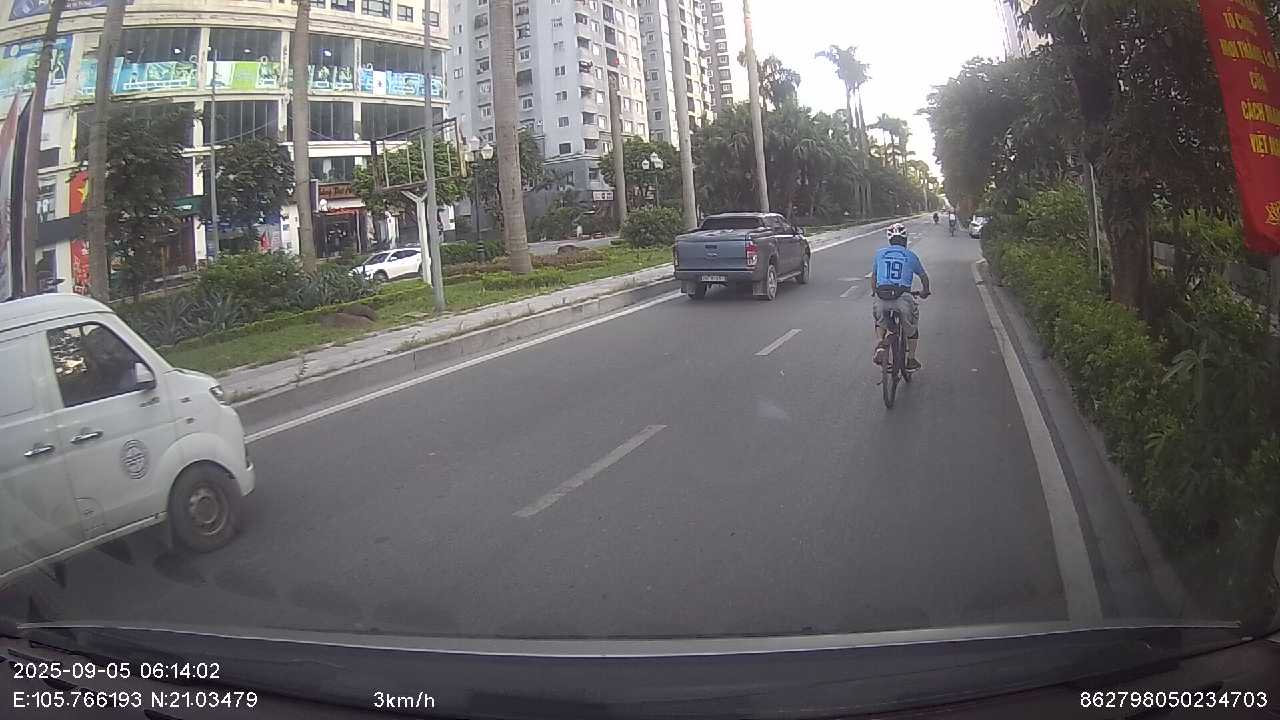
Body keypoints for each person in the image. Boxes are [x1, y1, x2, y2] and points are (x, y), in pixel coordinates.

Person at [871, 224, 930, 370]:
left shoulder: (879, 254)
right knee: (912, 327)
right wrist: (925, 292)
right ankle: (911, 360)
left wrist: (874, 292)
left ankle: (880, 344)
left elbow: (874, 277)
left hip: (882, 296)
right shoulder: (910, 256)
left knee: (880, 321)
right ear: (905, 239)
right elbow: (924, 277)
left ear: (890, 240)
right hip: (903, 297)